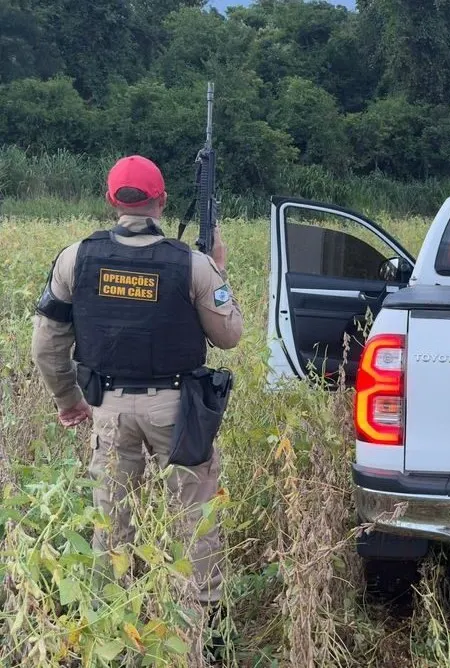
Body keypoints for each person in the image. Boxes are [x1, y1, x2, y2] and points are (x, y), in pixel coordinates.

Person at [30, 155, 243, 645]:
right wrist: (219, 270)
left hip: (107, 409)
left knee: (110, 520)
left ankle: (110, 620)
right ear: (161, 202)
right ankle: (206, 628)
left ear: (111, 200)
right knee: (194, 517)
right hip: (178, 411)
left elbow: (46, 345)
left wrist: (68, 400)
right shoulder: (191, 264)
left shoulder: (75, 258)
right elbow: (228, 335)